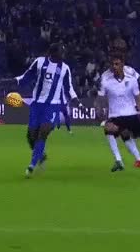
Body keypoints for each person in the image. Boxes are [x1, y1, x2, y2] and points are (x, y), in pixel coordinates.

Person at [9, 44, 86, 178]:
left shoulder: (65, 69)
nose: (63, 55)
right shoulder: (39, 62)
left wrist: (78, 103)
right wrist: (15, 80)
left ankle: (31, 166)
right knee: (31, 135)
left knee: (43, 132)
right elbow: (27, 76)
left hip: (53, 106)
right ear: (53, 53)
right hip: (37, 104)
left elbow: (69, 89)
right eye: (61, 52)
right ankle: (41, 155)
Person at [98, 64, 140, 169]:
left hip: (124, 111)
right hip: (124, 110)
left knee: (110, 131)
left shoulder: (127, 70)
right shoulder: (108, 75)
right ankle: (138, 159)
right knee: (124, 134)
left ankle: (119, 160)